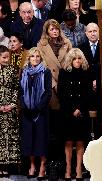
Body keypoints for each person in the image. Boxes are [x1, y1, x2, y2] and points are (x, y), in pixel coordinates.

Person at [37, 19, 72, 172]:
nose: (54, 31)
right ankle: (52, 162)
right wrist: (53, 84)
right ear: (47, 31)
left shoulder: (67, 43)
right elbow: (42, 66)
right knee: (52, 128)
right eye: (51, 29)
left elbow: (71, 62)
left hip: (66, 87)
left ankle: (64, 163)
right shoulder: (41, 46)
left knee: (64, 127)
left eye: (56, 29)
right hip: (49, 89)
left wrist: (62, 83)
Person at [57, 48, 92, 180]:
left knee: (80, 141)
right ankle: (68, 169)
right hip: (67, 112)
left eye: (79, 58)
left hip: (81, 112)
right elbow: (61, 93)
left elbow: (88, 93)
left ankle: (78, 169)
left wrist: (79, 109)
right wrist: (72, 109)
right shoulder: (64, 73)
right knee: (68, 141)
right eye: (74, 59)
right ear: (70, 60)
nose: (77, 61)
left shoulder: (86, 73)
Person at [20, 47, 52, 180]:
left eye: (38, 56)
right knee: (29, 139)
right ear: (29, 58)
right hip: (27, 111)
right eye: (33, 56)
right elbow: (21, 92)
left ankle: (43, 166)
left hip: (41, 111)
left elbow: (48, 93)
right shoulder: (24, 72)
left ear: (41, 58)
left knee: (41, 139)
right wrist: (25, 107)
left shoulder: (46, 72)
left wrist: (38, 107)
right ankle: (32, 165)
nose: (35, 59)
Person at [0, 45, 20, 177]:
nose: (7, 60)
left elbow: (15, 89)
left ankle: (6, 166)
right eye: (4, 57)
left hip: (9, 110)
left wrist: (12, 105)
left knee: (8, 138)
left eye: (8, 57)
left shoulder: (12, 70)